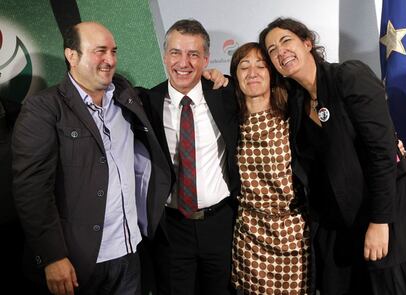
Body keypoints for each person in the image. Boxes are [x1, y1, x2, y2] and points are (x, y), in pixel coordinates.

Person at [12, 21, 172, 295]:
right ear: (71, 55)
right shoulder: (43, 108)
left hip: (130, 249)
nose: (110, 60)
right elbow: (31, 190)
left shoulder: (125, 94)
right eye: (100, 51)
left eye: (113, 51)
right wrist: (52, 256)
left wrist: (209, 77)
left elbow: (162, 93)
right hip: (80, 262)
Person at [258, 17, 399, 294]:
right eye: (272, 50)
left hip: (376, 219)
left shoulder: (348, 76)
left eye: (286, 41)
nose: (280, 52)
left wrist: (380, 221)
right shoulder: (296, 102)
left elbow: (382, 154)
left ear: (307, 42)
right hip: (334, 231)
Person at [137, 19, 240, 295]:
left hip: (220, 223)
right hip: (172, 228)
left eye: (193, 54)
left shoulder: (226, 94)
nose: (184, 62)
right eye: (176, 53)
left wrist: (223, 78)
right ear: (164, 56)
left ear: (206, 59)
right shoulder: (146, 102)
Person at [229, 42, 311, 295]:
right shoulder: (227, 123)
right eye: (244, 67)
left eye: (260, 66)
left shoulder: (295, 119)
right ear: (235, 76)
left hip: (294, 237)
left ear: (272, 73)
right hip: (251, 240)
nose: (252, 73)